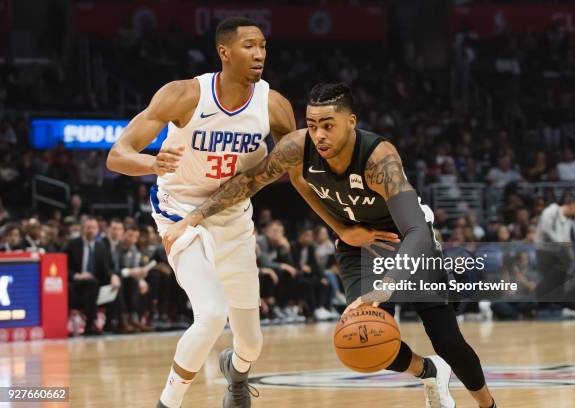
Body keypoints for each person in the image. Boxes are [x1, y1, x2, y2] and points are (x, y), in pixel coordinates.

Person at [108, 18, 385, 408]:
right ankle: (168, 403)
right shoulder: (184, 95)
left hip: (234, 215)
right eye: (249, 46)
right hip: (180, 210)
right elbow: (116, 155)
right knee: (210, 314)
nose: (259, 54)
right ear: (225, 52)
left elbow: (301, 178)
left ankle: (236, 373)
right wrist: (151, 163)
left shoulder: (273, 106)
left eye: (263, 46)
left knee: (252, 343)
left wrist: (343, 229)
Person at [165, 83, 497, 408]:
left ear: (350, 122)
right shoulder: (298, 148)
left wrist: (389, 284)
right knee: (365, 339)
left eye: (328, 126)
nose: (319, 135)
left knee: (449, 342)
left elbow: (416, 230)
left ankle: (487, 404)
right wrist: (192, 217)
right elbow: (249, 182)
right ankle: (430, 371)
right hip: (359, 246)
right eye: (312, 126)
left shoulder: (378, 159)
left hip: (408, 242)